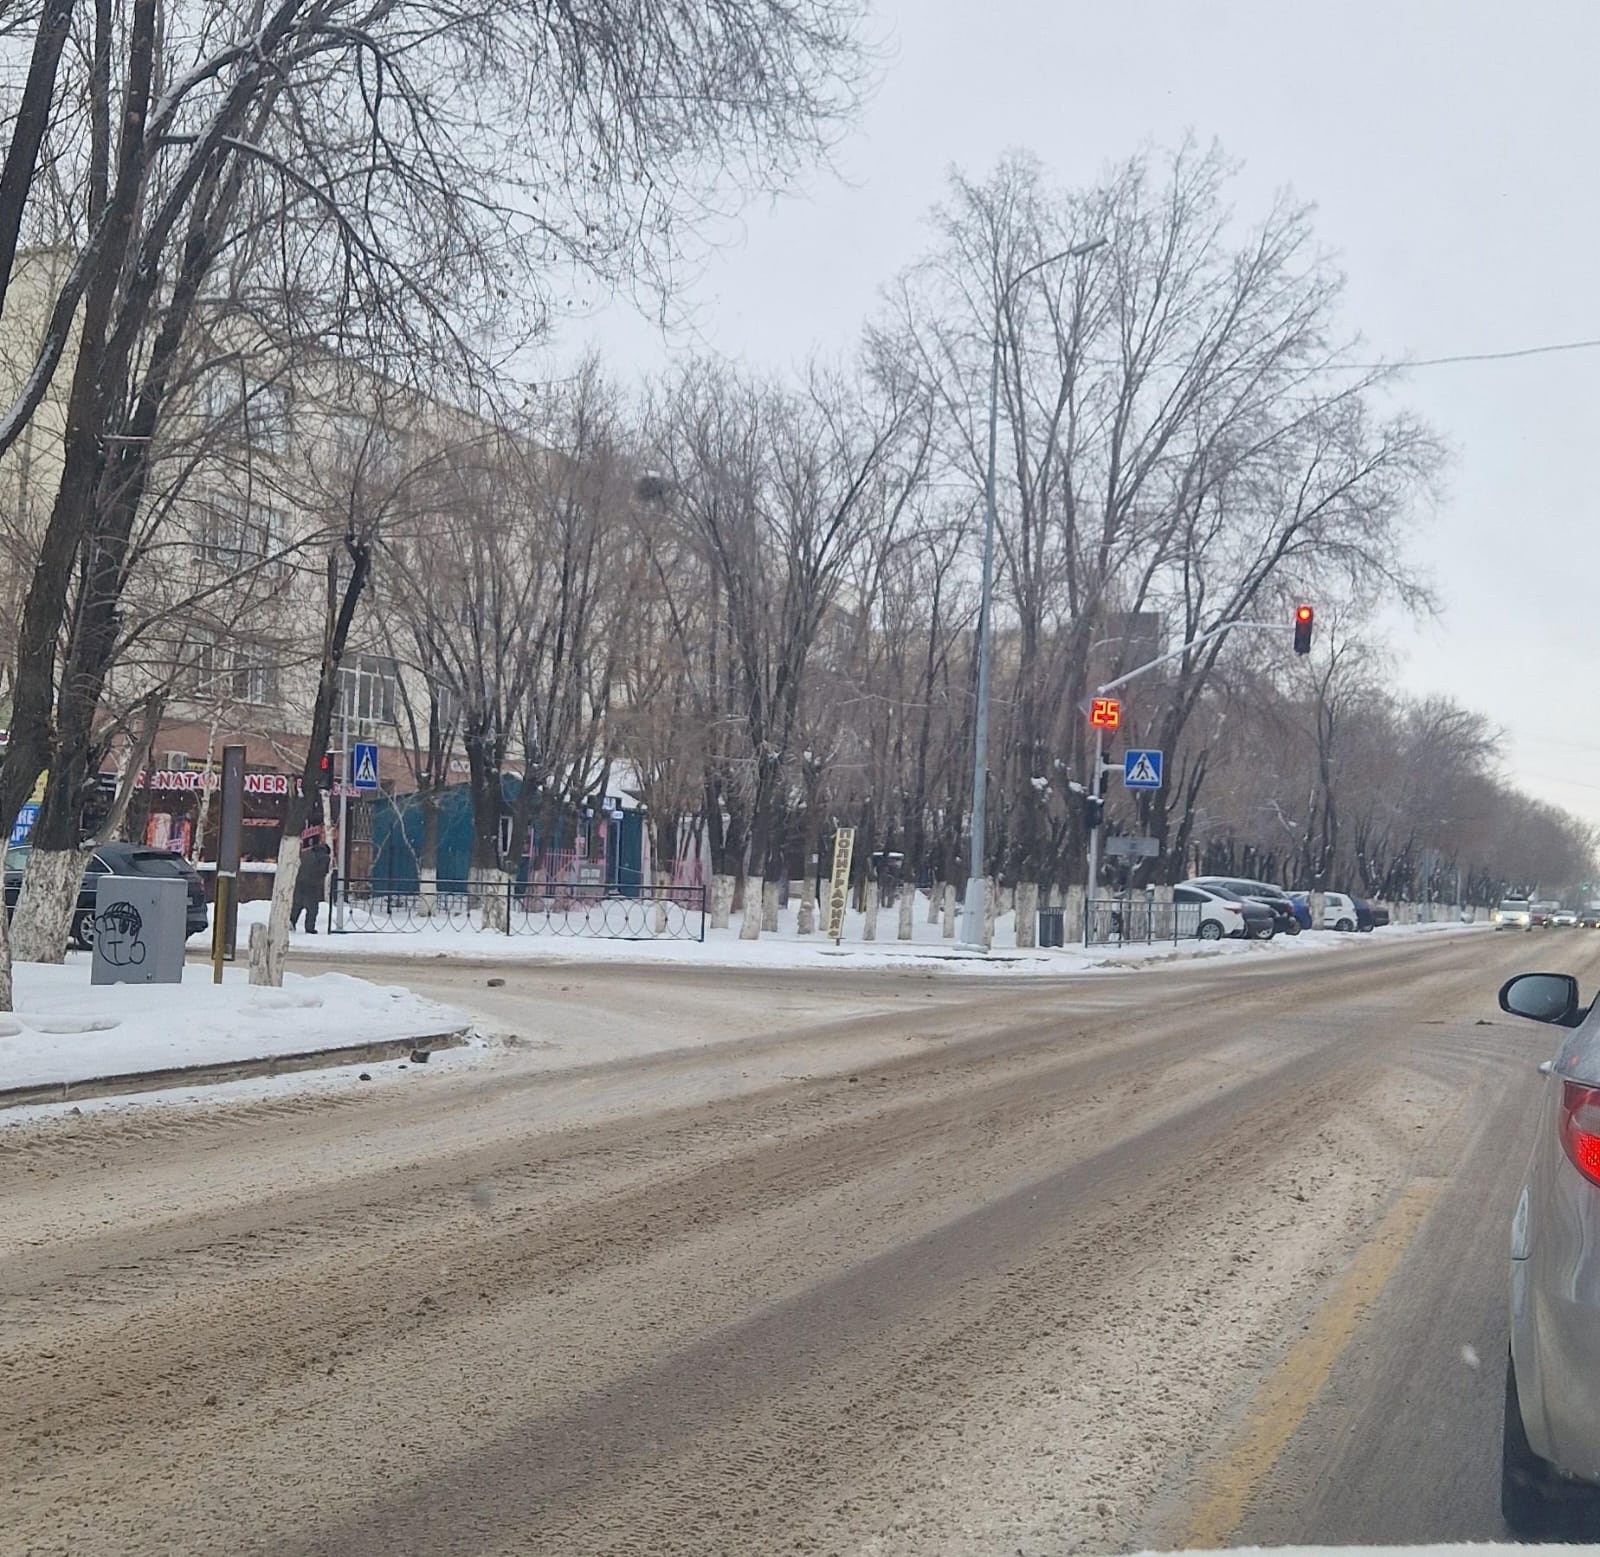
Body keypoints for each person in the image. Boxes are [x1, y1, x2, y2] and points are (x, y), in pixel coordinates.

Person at [291, 835, 332, 933]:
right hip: (312, 884)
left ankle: (291, 922)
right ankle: (309, 928)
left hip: (299, 882)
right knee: (312, 908)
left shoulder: (305, 853)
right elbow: (323, 871)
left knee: (297, 904)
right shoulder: (325, 857)